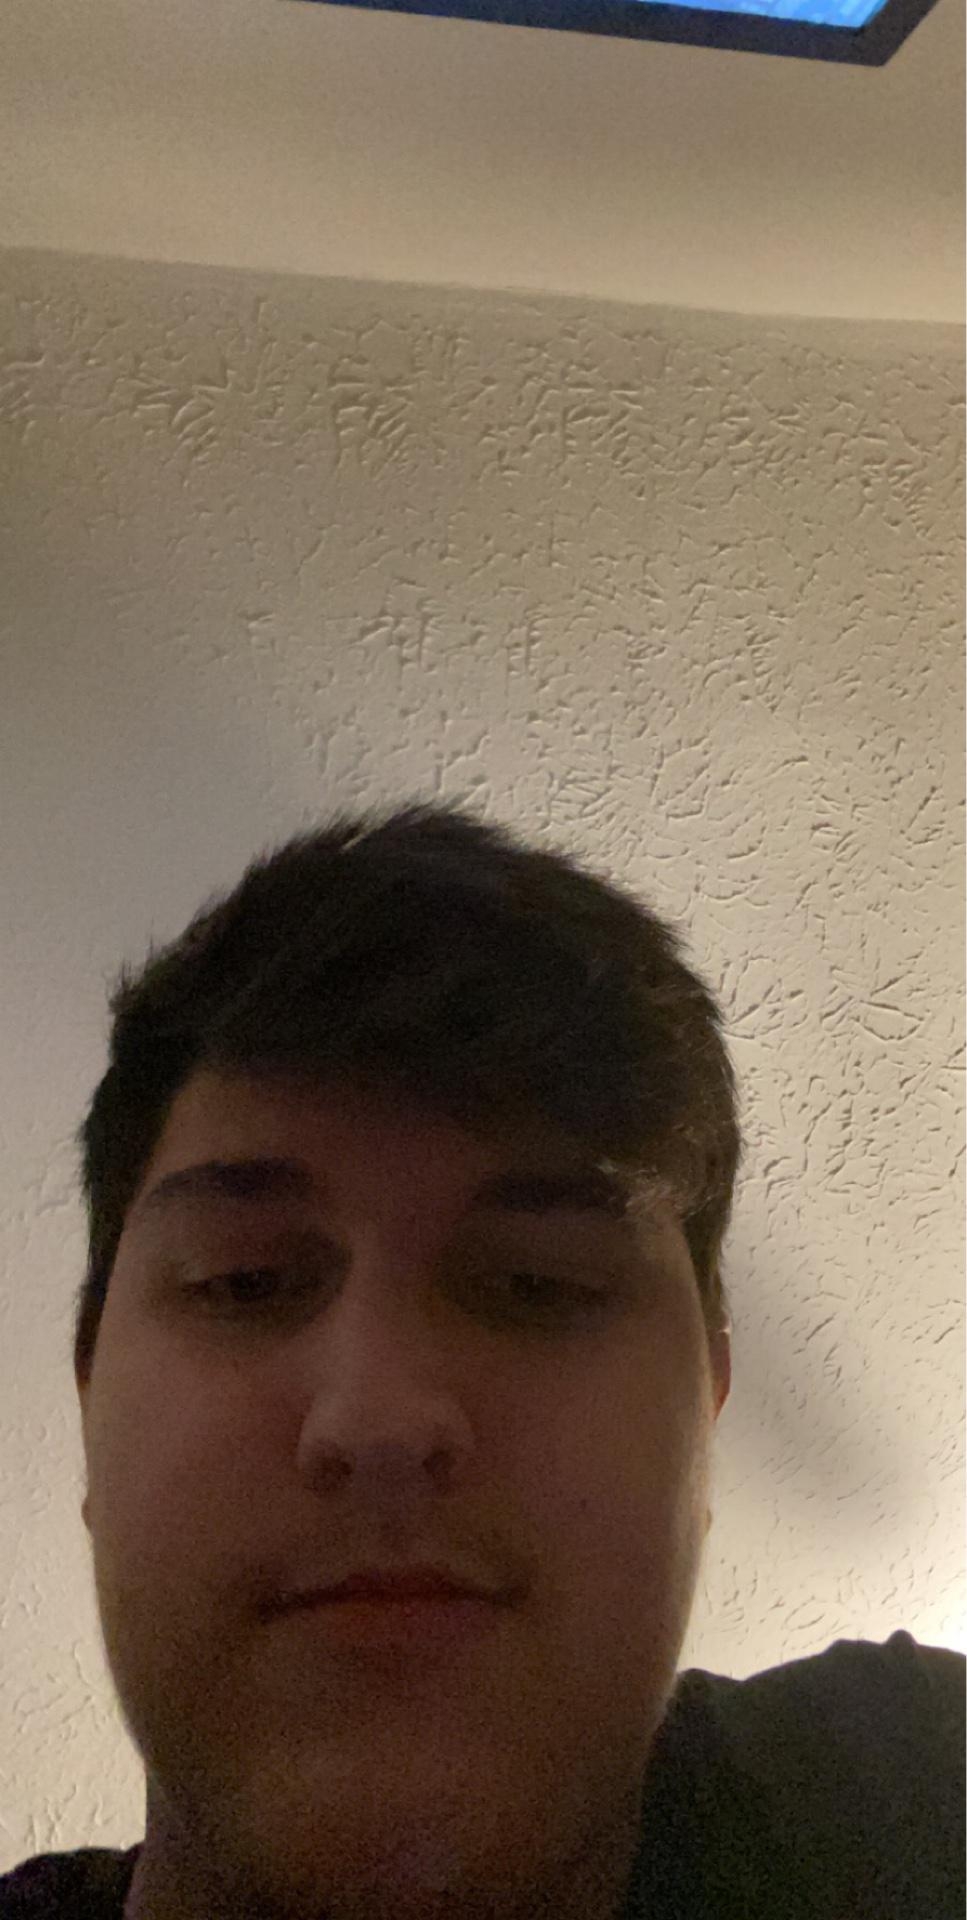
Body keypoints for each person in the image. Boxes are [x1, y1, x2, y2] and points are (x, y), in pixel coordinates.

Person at [2, 801, 962, 1920]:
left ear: (706, 1404)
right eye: (244, 1282)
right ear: (89, 1402)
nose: (378, 1421)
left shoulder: (915, 1781)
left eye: (538, 1285)